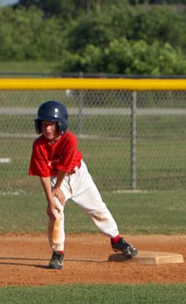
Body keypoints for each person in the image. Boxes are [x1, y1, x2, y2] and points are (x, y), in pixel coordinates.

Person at [28, 100, 138, 270]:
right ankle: (58, 252)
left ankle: (116, 240)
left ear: (60, 125)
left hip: (78, 176)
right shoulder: (38, 145)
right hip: (54, 179)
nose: (47, 128)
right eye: (44, 124)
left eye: (51, 124)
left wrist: (57, 188)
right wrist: (50, 200)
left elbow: (65, 167)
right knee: (55, 213)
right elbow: (43, 174)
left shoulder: (70, 139)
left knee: (98, 208)